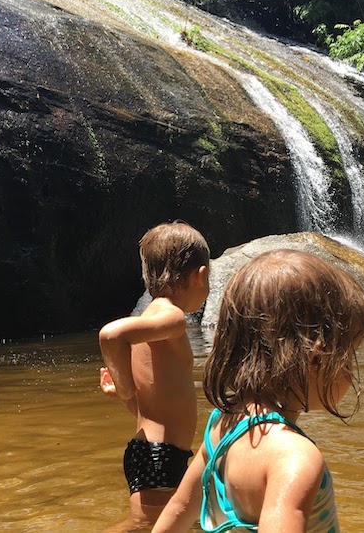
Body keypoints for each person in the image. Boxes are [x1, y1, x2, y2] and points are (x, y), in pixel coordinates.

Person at [152, 249, 364, 533]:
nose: (351, 372)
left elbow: (179, 509)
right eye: (349, 355)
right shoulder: (295, 458)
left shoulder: (222, 425)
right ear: (317, 357)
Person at [99, 220, 211, 532]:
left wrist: (128, 396)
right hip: (159, 457)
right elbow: (110, 335)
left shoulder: (151, 320)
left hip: (153, 453)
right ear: (200, 276)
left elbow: (150, 409)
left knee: (156, 526)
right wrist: (124, 391)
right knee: (143, 527)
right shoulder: (172, 317)